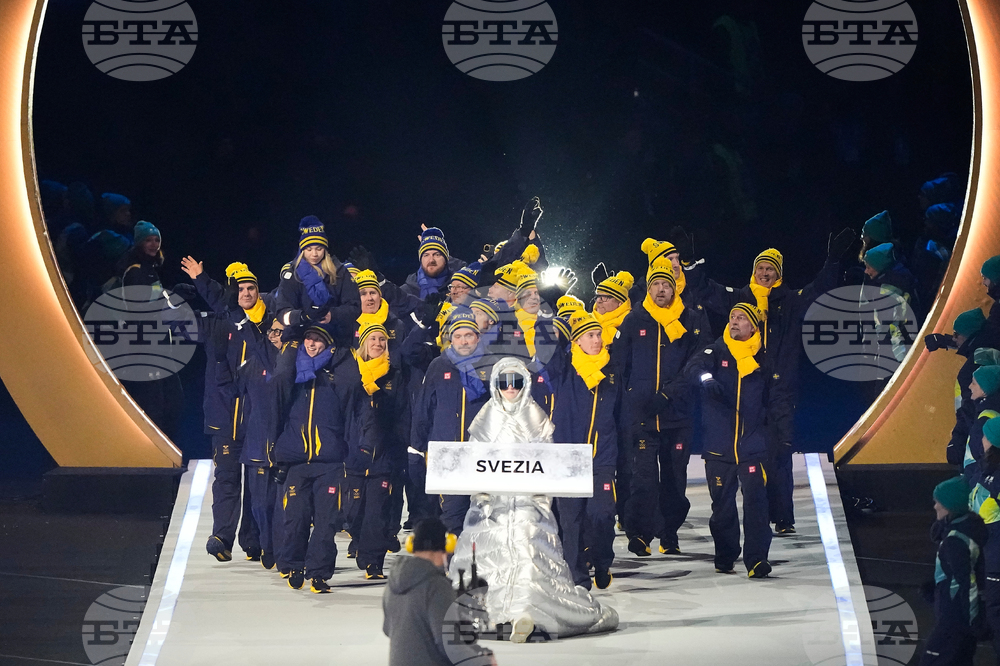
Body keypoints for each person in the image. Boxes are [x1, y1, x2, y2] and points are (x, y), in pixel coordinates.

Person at [687, 230, 853, 535]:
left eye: (771, 269)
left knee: (779, 453)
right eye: (761, 268)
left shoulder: (789, 301)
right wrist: (690, 264)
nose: (765, 273)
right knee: (744, 453)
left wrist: (833, 260)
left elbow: (821, 290)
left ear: (778, 274)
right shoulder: (741, 299)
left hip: (779, 389)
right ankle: (745, 514)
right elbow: (705, 289)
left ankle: (783, 517)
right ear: (754, 271)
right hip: (743, 389)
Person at [449, 357, 619, 643]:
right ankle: (497, 614)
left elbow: (547, 463)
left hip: (529, 504)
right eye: (504, 383)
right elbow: (475, 463)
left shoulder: (536, 417)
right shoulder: (485, 418)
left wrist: (541, 501)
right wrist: (482, 498)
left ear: (525, 384)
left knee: (528, 551)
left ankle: (526, 612)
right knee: (489, 551)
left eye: (516, 382)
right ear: (496, 385)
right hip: (493, 505)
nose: (510, 388)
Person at [686, 303, 791, 578]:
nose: (734, 321)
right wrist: (707, 379)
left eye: (741, 318)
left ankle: (756, 560)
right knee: (722, 508)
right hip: (718, 446)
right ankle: (725, 555)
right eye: (732, 316)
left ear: (753, 327)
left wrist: (784, 438)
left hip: (753, 446)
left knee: (757, 504)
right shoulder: (715, 350)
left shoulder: (765, 361)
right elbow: (694, 367)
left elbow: (778, 401)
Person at [616, 258, 710, 556]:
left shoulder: (691, 319)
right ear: (648, 287)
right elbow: (619, 363)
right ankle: (640, 534)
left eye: (666, 285)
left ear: (674, 289)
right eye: (656, 284)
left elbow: (697, 363)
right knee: (643, 479)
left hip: (678, 414)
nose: (660, 289)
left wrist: (669, 395)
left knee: (674, 480)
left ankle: (669, 533)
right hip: (642, 413)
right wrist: (631, 398)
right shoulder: (635, 319)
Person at [271, 322, 359, 593]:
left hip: (329, 461)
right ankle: (294, 564)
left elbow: (352, 402)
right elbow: (275, 405)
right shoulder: (291, 373)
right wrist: (276, 454)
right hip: (296, 459)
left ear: (329, 345)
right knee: (295, 517)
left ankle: (319, 573)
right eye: (308, 338)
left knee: (326, 520)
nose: (311, 343)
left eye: (318, 340)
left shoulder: (338, 374)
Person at [547, 308, 621, 590]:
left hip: (601, 457)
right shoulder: (564, 368)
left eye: (599, 334)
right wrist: (557, 324)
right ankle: (577, 576)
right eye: (590, 335)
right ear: (576, 341)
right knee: (571, 521)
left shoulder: (610, 371)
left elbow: (619, 415)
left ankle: (602, 561)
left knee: (602, 515)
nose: (597, 340)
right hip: (567, 458)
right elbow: (547, 347)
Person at [410, 312, 491, 535]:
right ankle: (452, 567)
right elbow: (424, 409)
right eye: (458, 336)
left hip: (481, 454)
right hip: (448, 455)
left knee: (482, 517)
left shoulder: (491, 367)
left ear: (477, 337)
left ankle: (478, 567)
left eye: (469, 335)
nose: (463, 341)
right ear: (451, 339)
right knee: (452, 516)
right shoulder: (439, 365)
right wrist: (416, 447)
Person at [382, 517, 495, 666]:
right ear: (443, 548)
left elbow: (387, 629)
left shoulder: (394, 580)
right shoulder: (436, 585)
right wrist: (483, 661)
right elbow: (450, 647)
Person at [343, 322, 407, 580]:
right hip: (354, 454)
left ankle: (374, 563)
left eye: (382, 340)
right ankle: (359, 543)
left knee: (378, 512)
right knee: (354, 511)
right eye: (373, 340)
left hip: (384, 455)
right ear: (364, 345)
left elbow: (403, 413)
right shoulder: (352, 375)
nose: (378, 344)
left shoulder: (395, 375)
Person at [921, 476, 985, 666]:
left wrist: (972, 620)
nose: (935, 507)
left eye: (938, 502)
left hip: (955, 616)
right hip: (960, 614)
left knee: (933, 660)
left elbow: (966, 582)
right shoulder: (971, 528)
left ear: (951, 506)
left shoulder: (954, 540)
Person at [926, 307, 1000, 466]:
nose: (954, 339)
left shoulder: (971, 371)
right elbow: (974, 343)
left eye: (956, 335)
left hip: (981, 449)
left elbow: (968, 410)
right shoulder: (990, 345)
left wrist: (957, 441)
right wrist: (944, 341)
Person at [275, 216, 361, 343]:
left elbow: (354, 307)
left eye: (319, 249)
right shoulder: (292, 275)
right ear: (302, 250)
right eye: (309, 249)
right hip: (298, 336)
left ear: (325, 250)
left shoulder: (339, 272)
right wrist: (303, 317)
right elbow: (282, 311)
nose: (314, 254)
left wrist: (332, 315)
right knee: (285, 363)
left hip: (336, 335)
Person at [402, 226, 468, 299]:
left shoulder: (460, 287)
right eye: (426, 255)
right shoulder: (406, 293)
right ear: (421, 260)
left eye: (437, 255)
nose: (431, 260)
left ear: (447, 259)